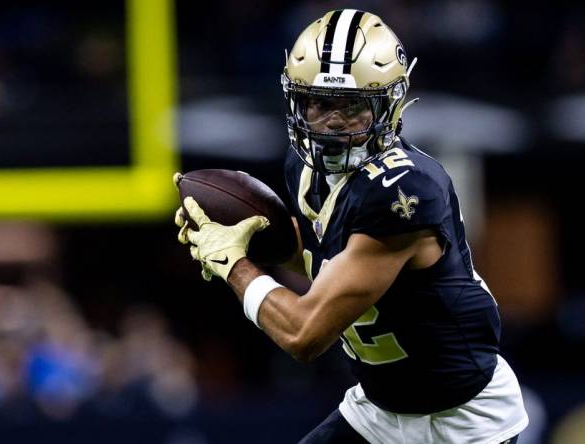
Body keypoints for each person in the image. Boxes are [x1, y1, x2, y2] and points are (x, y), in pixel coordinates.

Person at [174, 9, 528, 444]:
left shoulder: (405, 191)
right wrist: (257, 240)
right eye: (319, 103)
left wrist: (233, 264)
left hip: (458, 420)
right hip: (381, 409)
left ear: (389, 104)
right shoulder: (306, 172)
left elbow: (304, 333)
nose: (333, 122)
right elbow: (325, 270)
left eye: (353, 106)